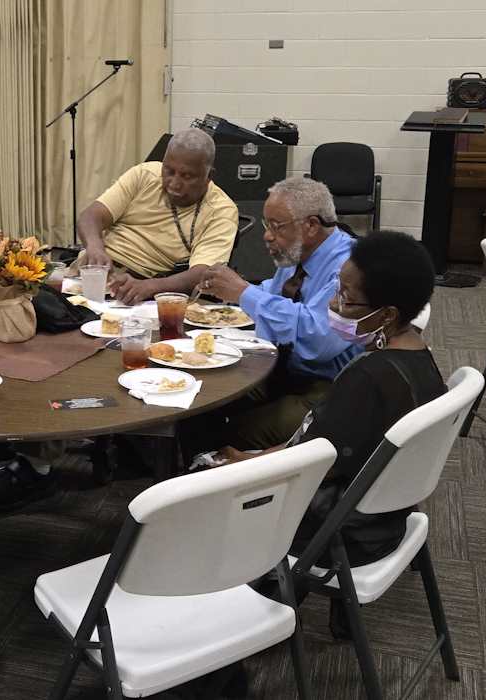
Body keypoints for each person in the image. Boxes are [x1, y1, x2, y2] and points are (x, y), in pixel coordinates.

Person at [210, 230, 442, 639]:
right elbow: (318, 444)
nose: (334, 304)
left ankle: (227, 626)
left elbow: (306, 462)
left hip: (337, 532)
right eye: (337, 289)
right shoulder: (421, 361)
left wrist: (243, 462)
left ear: (387, 315)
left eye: (347, 298)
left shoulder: (365, 380)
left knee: (197, 483)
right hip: (384, 517)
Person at [195, 176, 361, 450]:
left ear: (311, 225)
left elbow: (318, 338)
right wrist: (226, 295)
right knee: (204, 395)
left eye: (276, 226)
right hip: (281, 367)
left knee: (228, 431)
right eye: (266, 224)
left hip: (325, 387)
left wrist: (243, 292)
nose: (267, 235)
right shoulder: (296, 254)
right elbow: (273, 293)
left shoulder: (348, 268)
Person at [76, 127, 239, 305]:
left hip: (146, 287)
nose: (174, 183)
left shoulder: (221, 210)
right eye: (169, 171)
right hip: (95, 274)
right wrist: (94, 247)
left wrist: (149, 286)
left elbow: (203, 273)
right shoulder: (144, 175)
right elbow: (91, 216)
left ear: (208, 176)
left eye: (187, 176)